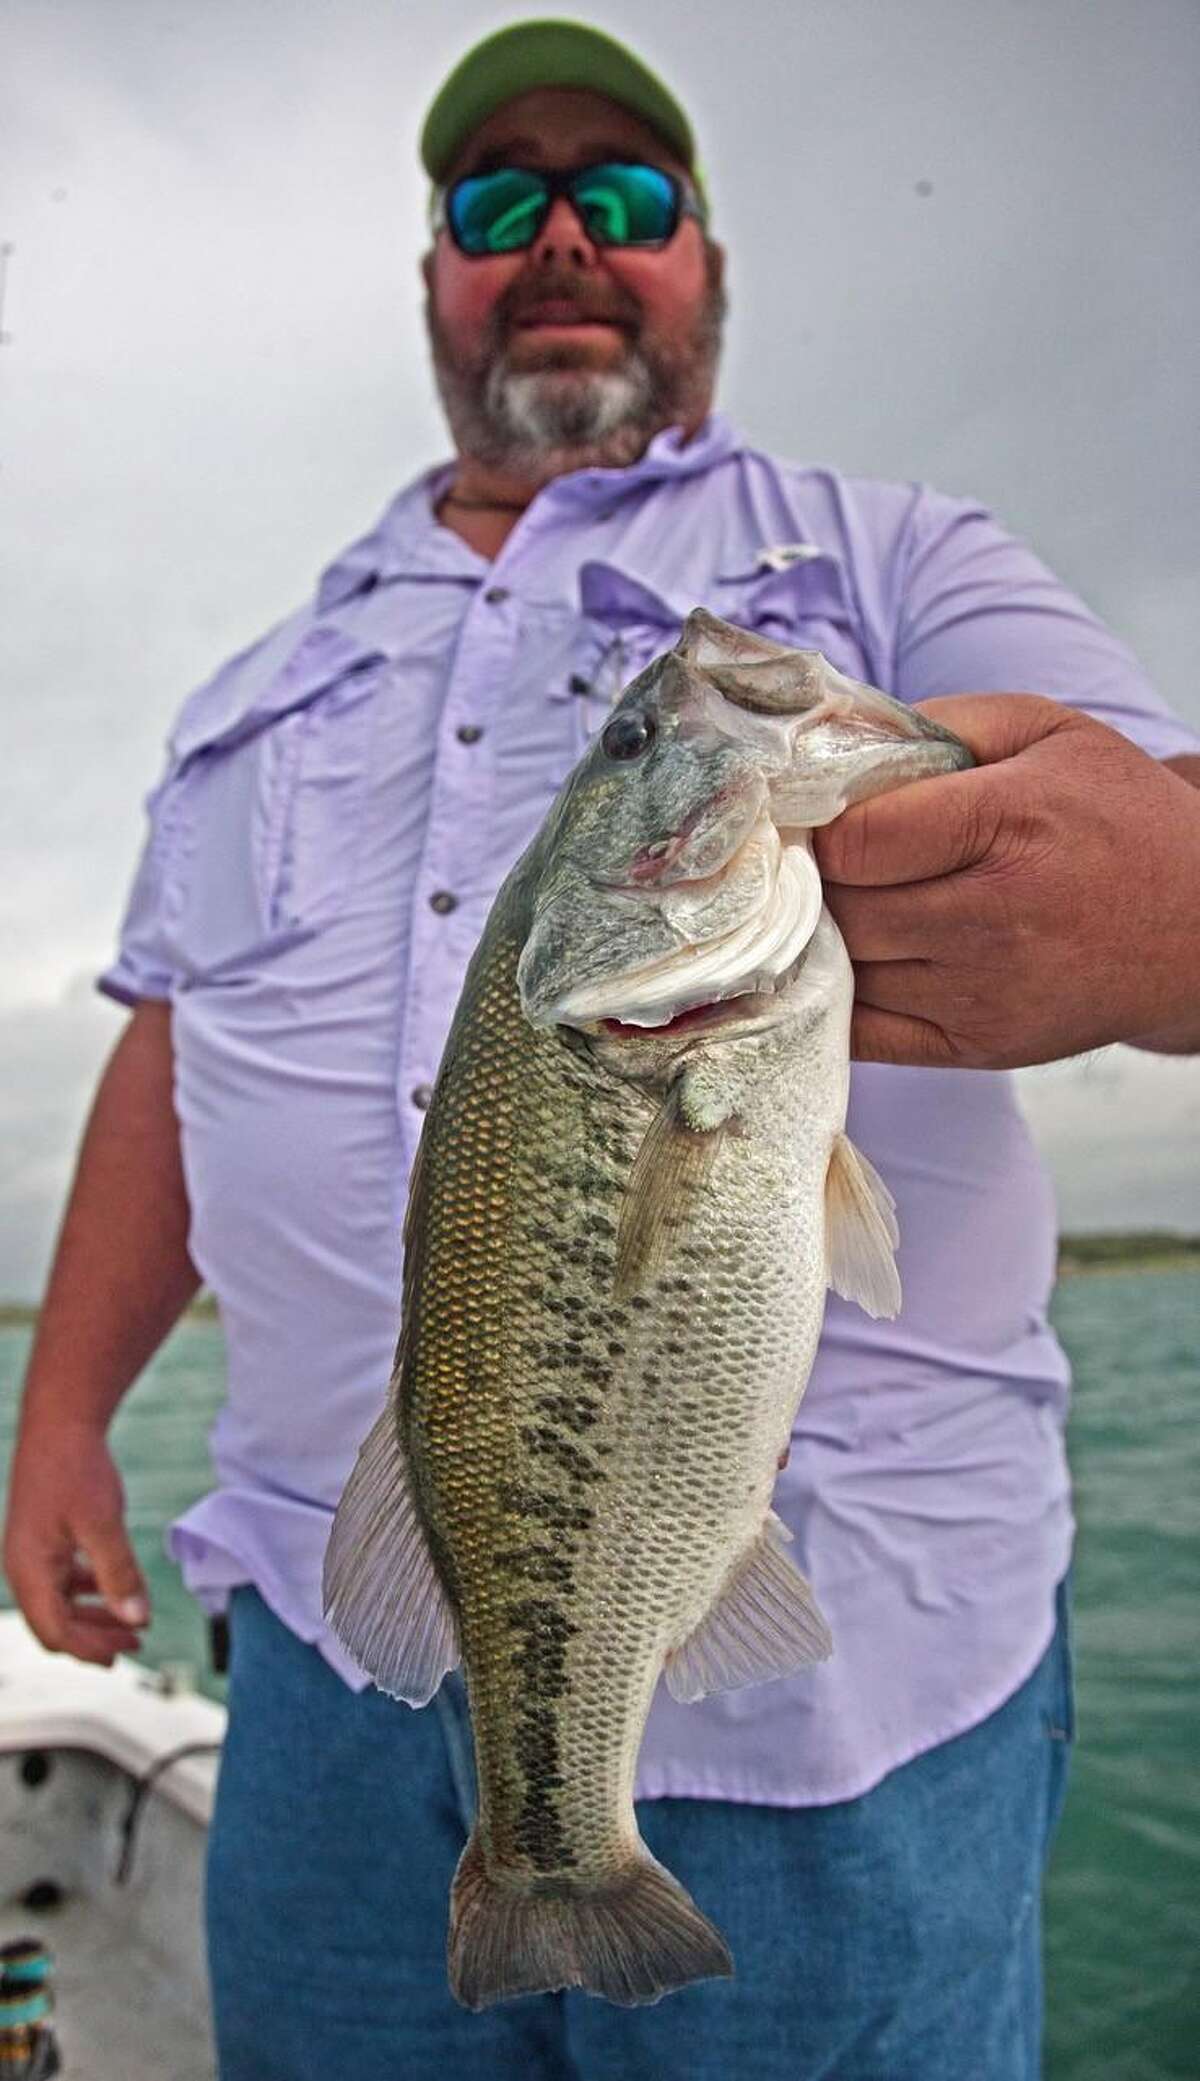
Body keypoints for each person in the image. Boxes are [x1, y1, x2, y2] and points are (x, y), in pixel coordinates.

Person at [5, 19, 1199, 2080]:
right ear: (435, 282)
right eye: (497, 206)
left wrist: (1160, 912)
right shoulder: (260, 680)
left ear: (705, 264)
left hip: (854, 1697)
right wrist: (64, 1416)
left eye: (624, 201)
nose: (560, 238)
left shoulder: (896, 559)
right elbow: (168, 1055)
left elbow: (1162, 849)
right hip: (321, 1638)